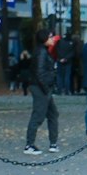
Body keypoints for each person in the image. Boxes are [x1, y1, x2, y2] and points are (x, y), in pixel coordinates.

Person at [24, 26, 60, 154]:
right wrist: (46, 88)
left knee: (52, 114)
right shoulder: (41, 52)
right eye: (50, 37)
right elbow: (39, 72)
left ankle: (53, 143)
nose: (53, 39)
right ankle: (29, 144)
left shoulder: (42, 51)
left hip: (43, 87)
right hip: (41, 87)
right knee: (38, 114)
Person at [53, 28, 78, 94]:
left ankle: (59, 90)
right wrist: (66, 58)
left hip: (60, 60)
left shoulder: (60, 42)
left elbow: (57, 50)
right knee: (67, 76)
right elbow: (73, 52)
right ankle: (67, 90)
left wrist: (60, 58)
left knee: (59, 76)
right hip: (68, 61)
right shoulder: (71, 43)